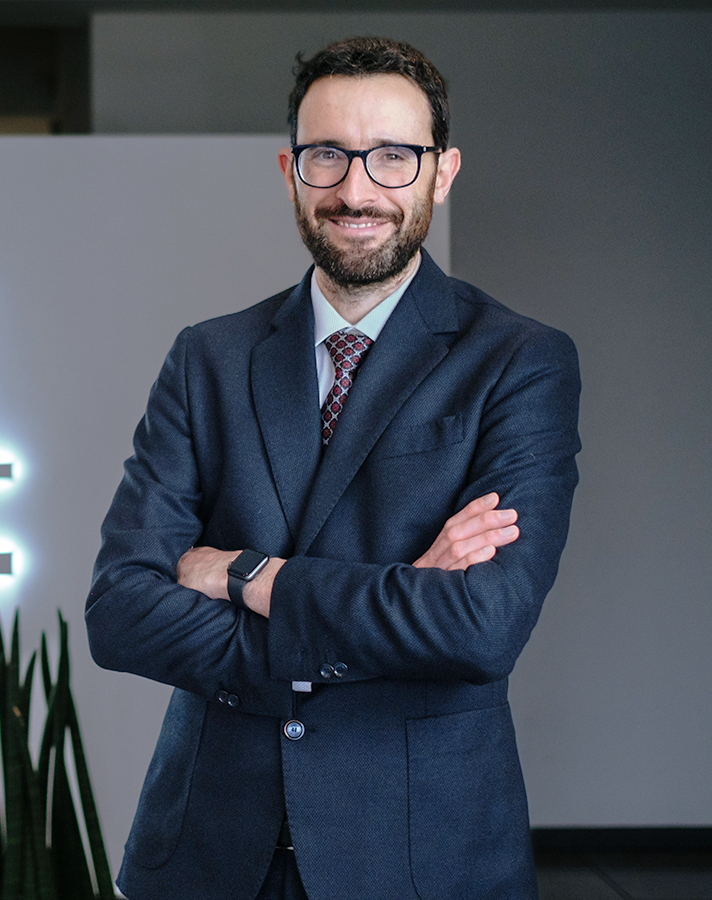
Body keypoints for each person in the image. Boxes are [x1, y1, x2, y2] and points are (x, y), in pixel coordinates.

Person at [86, 36, 580, 900]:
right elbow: (120, 612)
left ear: (443, 172)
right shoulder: (209, 358)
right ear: (291, 172)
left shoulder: (519, 361)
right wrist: (396, 605)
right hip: (207, 851)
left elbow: (479, 625)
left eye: (393, 156)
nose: (357, 190)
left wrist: (245, 574)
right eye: (328, 156)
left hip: (418, 854)